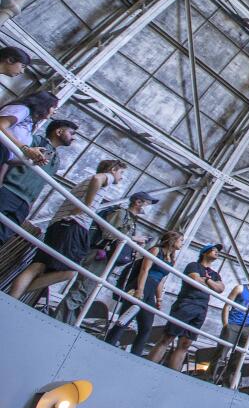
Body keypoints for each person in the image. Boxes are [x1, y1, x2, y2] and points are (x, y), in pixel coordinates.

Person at [7, 159, 125, 302]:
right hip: (74, 225)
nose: (121, 177)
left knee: (38, 265)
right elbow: (97, 178)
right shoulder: (107, 177)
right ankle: (13, 297)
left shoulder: (85, 182)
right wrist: (86, 206)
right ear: (113, 170)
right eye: (121, 172)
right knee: (68, 272)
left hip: (58, 225)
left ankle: (11, 298)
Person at [53, 186, 153, 324]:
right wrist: (132, 238)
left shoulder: (131, 219)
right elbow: (109, 233)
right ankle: (58, 321)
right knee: (81, 289)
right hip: (99, 256)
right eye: (148, 203)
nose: (149, 207)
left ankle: (69, 322)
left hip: (108, 259)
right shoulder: (121, 213)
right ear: (138, 202)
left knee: (87, 292)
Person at [147, 242, 224, 372]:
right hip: (186, 303)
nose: (217, 252)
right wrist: (210, 284)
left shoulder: (215, 274)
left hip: (202, 308)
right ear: (205, 252)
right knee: (167, 337)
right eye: (214, 250)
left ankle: (173, 374)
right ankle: (148, 367)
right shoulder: (193, 265)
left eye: (218, 251)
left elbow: (220, 288)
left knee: (185, 344)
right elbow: (194, 279)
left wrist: (206, 280)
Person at [106, 230, 183, 356]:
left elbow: (161, 281)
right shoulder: (156, 250)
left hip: (151, 290)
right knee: (125, 319)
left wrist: (159, 299)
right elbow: (144, 270)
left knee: (146, 327)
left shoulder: (171, 260)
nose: (182, 244)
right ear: (172, 240)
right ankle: (108, 344)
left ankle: (135, 355)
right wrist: (139, 290)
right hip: (142, 285)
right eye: (181, 240)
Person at [0, 117, 73, 246]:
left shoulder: (56, 161)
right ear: (59, 131)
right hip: (8, 191)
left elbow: (41, 184)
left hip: (24, 204)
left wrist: (30, 205)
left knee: (2, 237)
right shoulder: (36, 141)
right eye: (71, 133)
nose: (73, 138)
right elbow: (8, 157)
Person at [210, 263, 249, 387]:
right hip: (233, 324)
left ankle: (227, 384)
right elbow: (227, 305)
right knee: (221, 354)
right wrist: (226, 324)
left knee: (237, 359)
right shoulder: (240, 288)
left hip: (247, 328)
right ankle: (210, 378)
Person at [0, 90, 57, 173]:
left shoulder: (30, 124)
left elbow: (9, 158)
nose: (54, 112)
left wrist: (32, 158)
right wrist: (26, 148)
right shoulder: (23, 110)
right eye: (54, 107)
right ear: (44, 105)